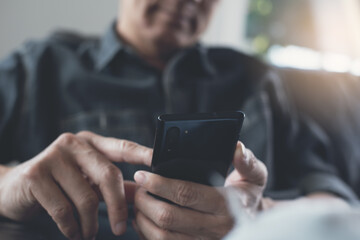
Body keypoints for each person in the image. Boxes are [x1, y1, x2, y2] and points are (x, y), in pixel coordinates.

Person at [0, 0, 357, 239]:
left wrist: (258, 212)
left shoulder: (256, 78)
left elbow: (336, 205)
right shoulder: (37, 68)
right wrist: (9, 183)